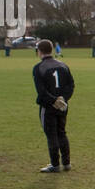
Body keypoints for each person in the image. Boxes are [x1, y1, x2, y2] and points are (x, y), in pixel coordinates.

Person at [33, 38, 74, 173]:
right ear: (51, 50)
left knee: (52, 135)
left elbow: (41, 91)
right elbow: (71, 85)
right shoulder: (63, 65)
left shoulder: (39, 68)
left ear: (39, 52)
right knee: (62, 133)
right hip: (62, 106)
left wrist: (53, 101)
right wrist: (63, 99)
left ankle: (55, 164)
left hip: (48, 107)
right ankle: (66, 163)